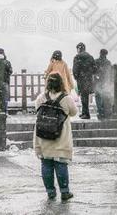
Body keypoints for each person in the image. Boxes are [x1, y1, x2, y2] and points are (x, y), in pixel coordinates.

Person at [34, 73, 77, 201]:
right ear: (61, 83)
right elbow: (74, 112)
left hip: (43, 136)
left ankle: (50, 192)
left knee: (46, 164)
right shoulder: (66, 98)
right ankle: (64, 192)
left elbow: (37, 109)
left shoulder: (41, 97)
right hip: (60, 137)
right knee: (60, 164)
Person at [72, 42, 96, 119]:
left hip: (81, 79)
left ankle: (86, 114)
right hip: (88, 79)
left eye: (77, 49)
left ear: (79, 49)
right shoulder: (90, 57)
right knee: (85, 96)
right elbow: (95, 69)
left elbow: (75, 70)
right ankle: (84, 113)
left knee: (83, 96)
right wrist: (89, 73)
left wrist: (77, 77)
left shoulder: (77, 57)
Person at [94, 49, 113, 120]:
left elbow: (94, 71)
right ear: (106, 54)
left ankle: (100, 112)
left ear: (100, 53)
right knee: (104, 96)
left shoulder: (96, 61)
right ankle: (104, 112)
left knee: (98, 96)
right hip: (105, 81)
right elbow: (110, 73)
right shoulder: (108, 62)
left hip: (98, 81)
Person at [0, 48, 13, 113]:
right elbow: (10, 71)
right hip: (5, 82)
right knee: (4, 98)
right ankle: (4, 112)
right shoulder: (6, 62)